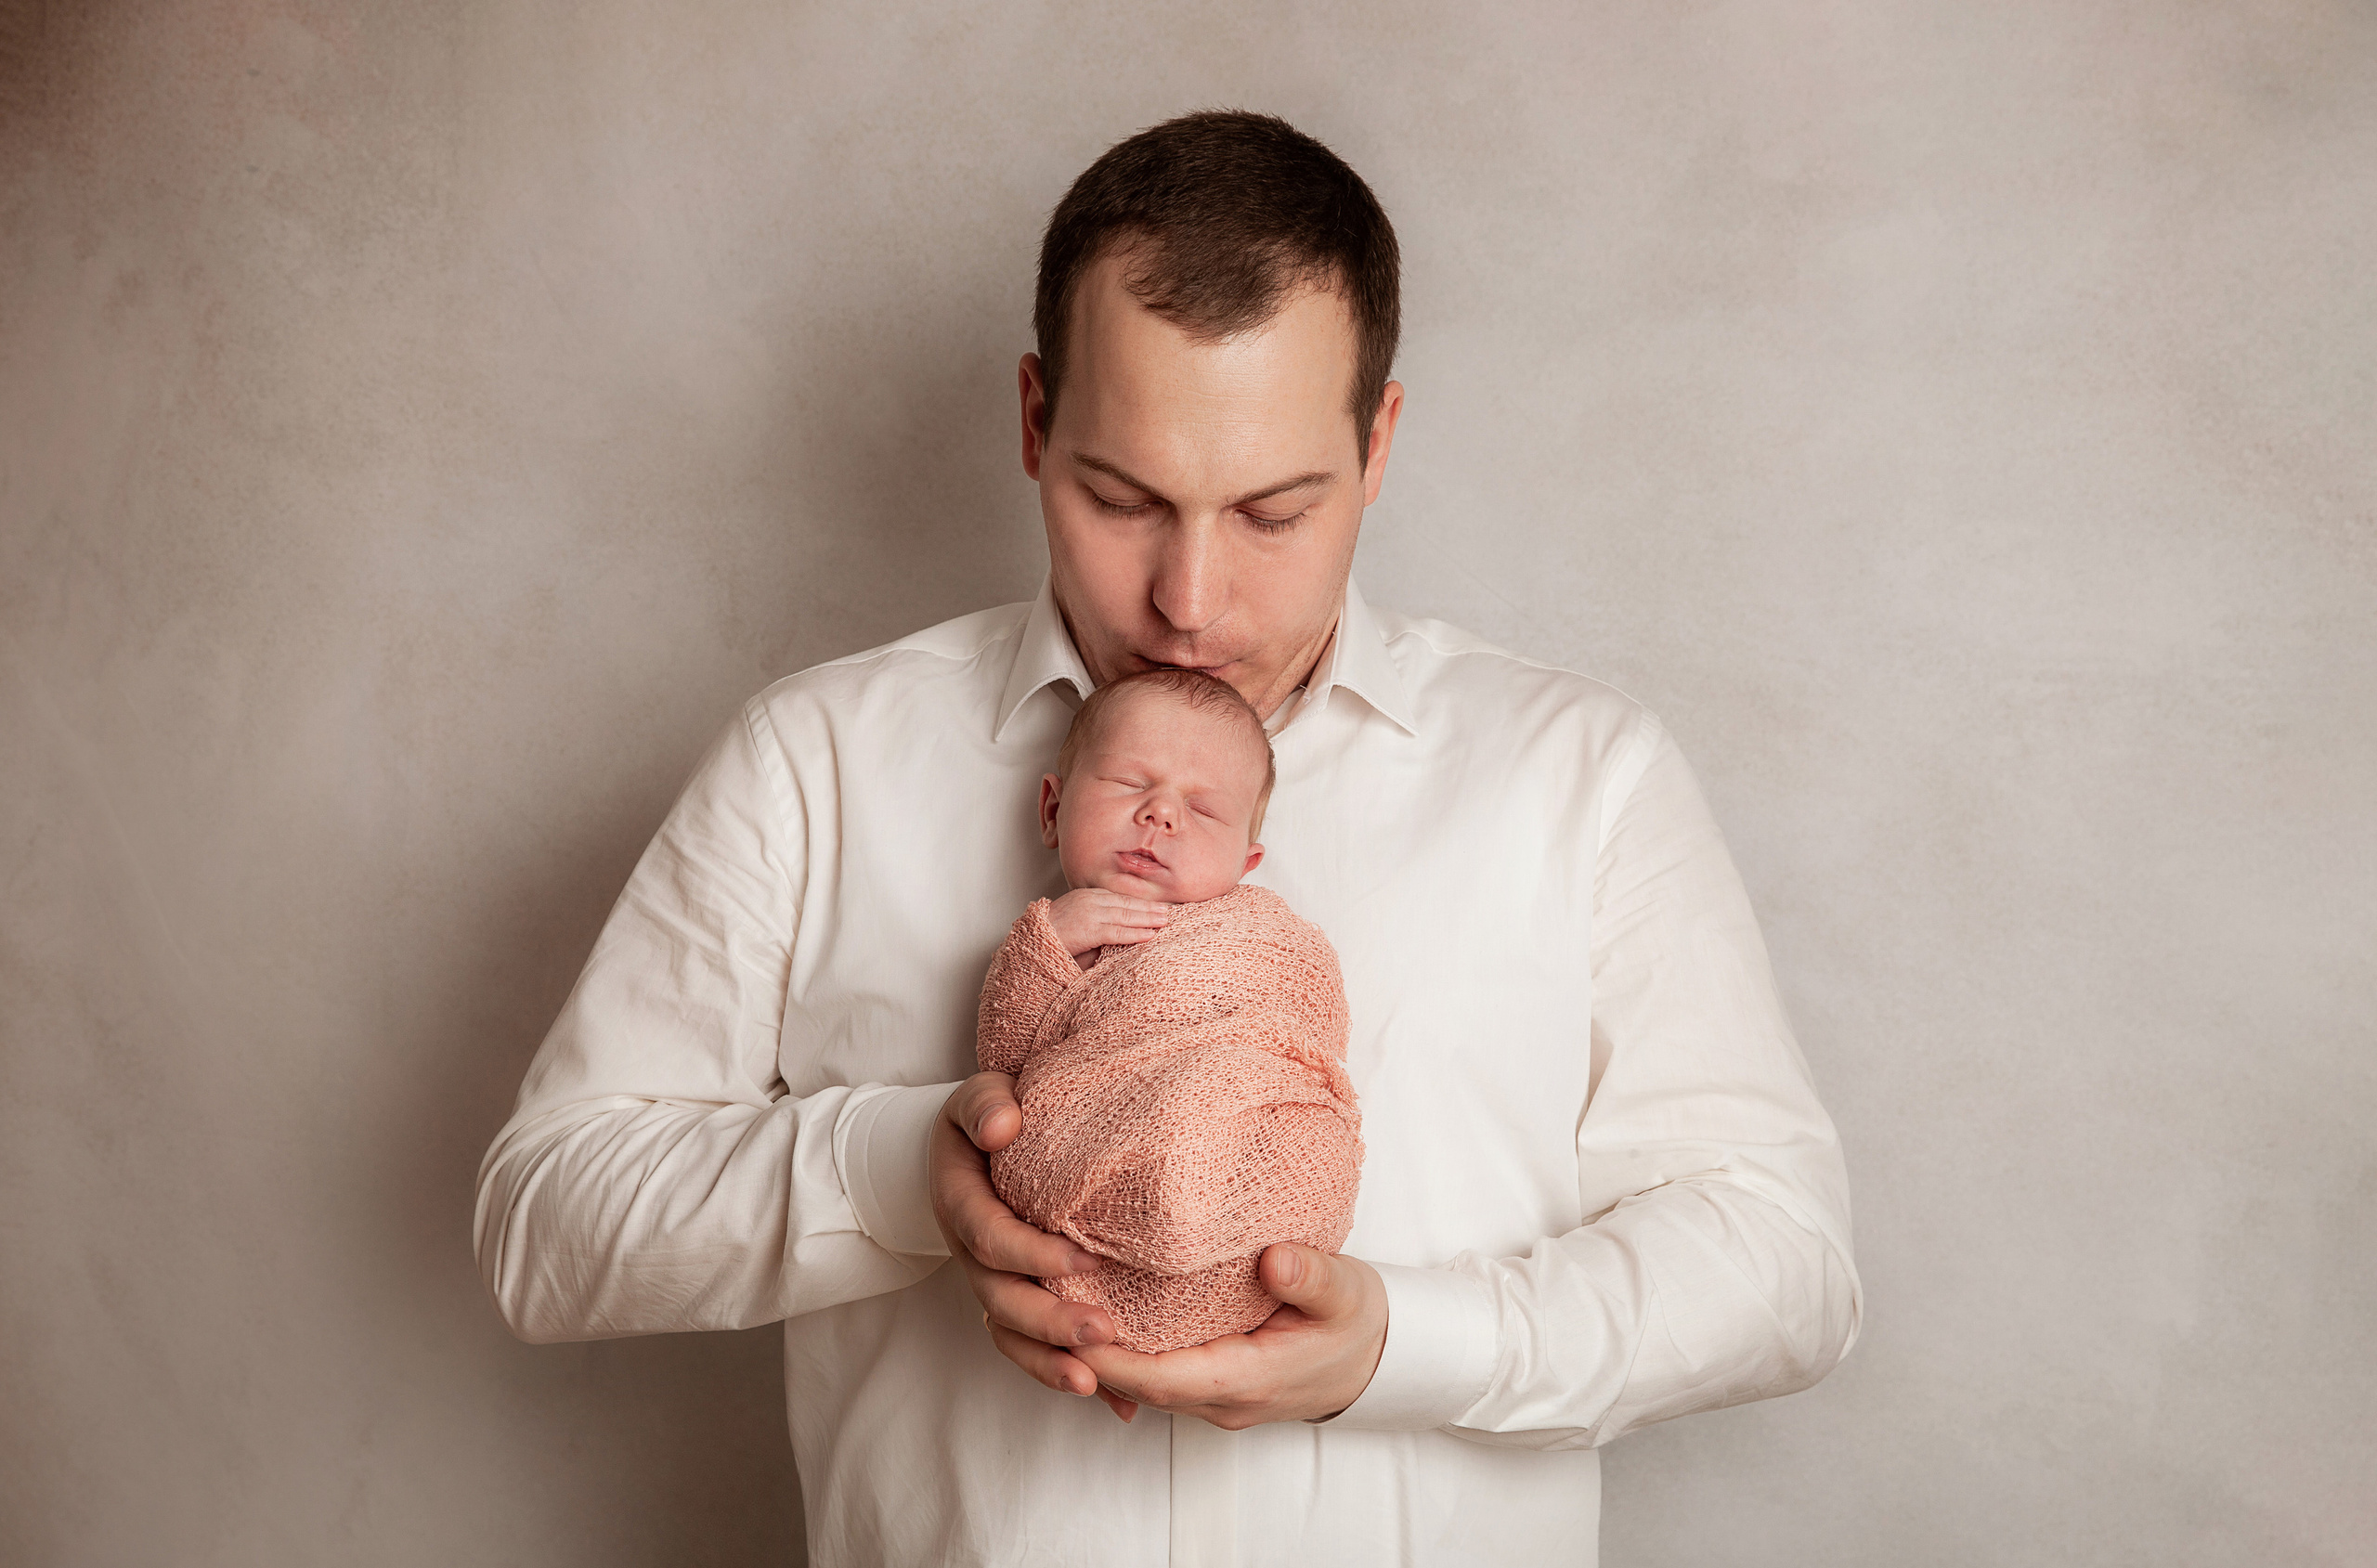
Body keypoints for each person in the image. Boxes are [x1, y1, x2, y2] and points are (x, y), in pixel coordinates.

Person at [474, 109, 1862, 1566]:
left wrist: (1407, 1346)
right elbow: (543, 1223)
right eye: (1122, 497)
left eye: (1273, 512)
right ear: (1033, 421)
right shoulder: (819, 760)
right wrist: (898, 1174)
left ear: (1378, 444)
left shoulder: (1579, 777)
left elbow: (1786, 1261)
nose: (1189, 602)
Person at [977, 666, 1363, 1354]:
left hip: (1245, 1147)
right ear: (1052, 810)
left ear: (1245, 862)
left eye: (1204, 810)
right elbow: (1009, 1060)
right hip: (1107, 1145)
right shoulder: (1054, 940)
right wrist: (1046, 944)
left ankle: (1212, 1229)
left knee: (1302, 1148)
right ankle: (1155, 1224)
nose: (1160, 815)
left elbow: (1311, 1031)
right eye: (1129, 783)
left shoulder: (1263, 933)